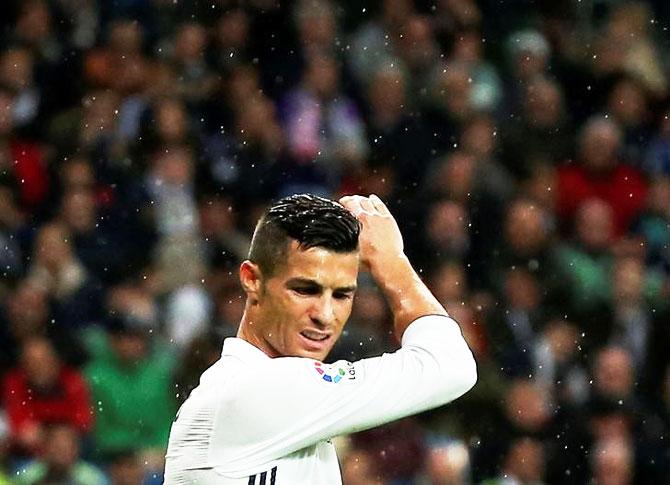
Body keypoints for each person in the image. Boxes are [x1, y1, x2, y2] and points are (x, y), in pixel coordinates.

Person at [164, 193, 477, 483]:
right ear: (252, 280)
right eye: (305, 290)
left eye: (342, 294)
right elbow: (450, 365)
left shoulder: (241, 390)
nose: (325, 315)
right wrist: (391, 261)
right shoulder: (257, 390)